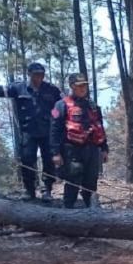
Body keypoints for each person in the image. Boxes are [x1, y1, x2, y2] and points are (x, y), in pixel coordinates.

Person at [0, 62, 62, 201]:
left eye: (41, 74)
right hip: (28, 132)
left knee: (48, 161)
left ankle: (47, 190)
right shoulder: (18, 88)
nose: (39, 77)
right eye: (36, 74)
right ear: (29, 74)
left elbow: (64, 105)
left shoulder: (52, 90)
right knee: (27, 160)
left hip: (47, 132)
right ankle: (29, 190)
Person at [49, 74, 108, 209]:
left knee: (91, 181)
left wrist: (104, 148)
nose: (83, 88)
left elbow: (100, 127)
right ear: (72, 86)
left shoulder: (93, 106)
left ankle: (92, 209)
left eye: (85, 85)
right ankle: (68, 210)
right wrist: (55, 153)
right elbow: (54, 130)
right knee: (73, 181)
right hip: (72, 150)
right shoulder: (60, 105)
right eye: (79, 85)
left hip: (92, 149)